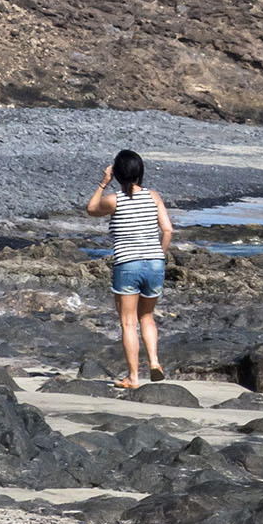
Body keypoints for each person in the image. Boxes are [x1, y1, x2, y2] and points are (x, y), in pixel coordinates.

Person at [86, 149, 173, 386]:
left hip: (128, 263)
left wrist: (103, 183)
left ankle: (133, 377)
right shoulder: (153, 196)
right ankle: (154, 361)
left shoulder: (115, 200)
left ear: (117, 173)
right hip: (155, 263)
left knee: (128, 323)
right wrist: (159, 255)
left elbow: (91, 209)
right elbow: (168, 230)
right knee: (147, 316)